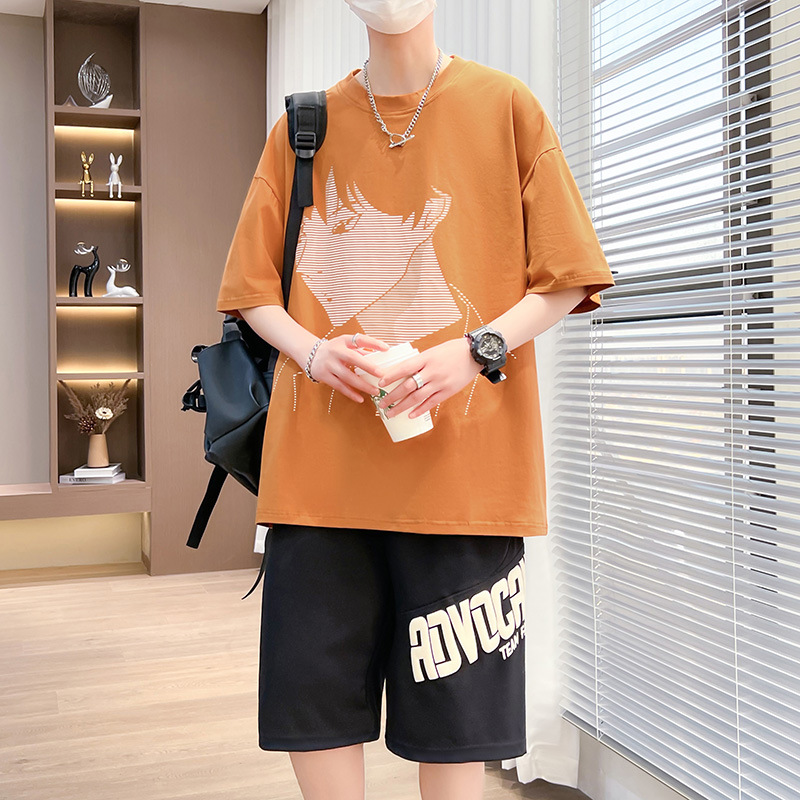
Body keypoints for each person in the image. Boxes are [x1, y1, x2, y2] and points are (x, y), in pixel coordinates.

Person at [215, 1, 616, 797]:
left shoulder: (505, 107)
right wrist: (314, 351)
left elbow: (569, 278)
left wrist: (476, 351)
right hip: (321, 483)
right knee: (318, 710)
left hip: (464, 483)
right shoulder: (304, 126)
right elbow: (250, 290)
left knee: (458, 726)